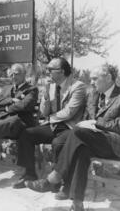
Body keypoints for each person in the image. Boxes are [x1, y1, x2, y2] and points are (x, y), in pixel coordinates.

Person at [26, 63, 120, 211]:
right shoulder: (93, 94)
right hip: (92, 140)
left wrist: (96, 122)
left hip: (114, 144)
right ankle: (77, 204)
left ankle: (54, 177)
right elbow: (85, 118)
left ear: (108, 78)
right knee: (81, 150)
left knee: (77, 131)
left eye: (95, 78)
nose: (92, 82)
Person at [13, 57, 86, 189]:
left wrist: (50, 119)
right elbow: (44, 112)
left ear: (62, 71)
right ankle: (29, 174)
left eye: (50, 69)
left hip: (69, 127)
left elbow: (69, 112)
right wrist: (45, 96)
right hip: (54, 126)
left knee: (57, 143)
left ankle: (60, 182)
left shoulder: (78, 86)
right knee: (26, 134)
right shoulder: (51, 86)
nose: (47, 72)